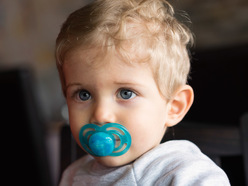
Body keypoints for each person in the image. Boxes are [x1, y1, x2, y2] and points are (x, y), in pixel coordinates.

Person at [56, 0, 230, 185]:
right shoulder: (74, 175)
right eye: (84, 94)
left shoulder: (185, 173)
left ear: (173, 107)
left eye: (125, 93)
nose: (101, 115)